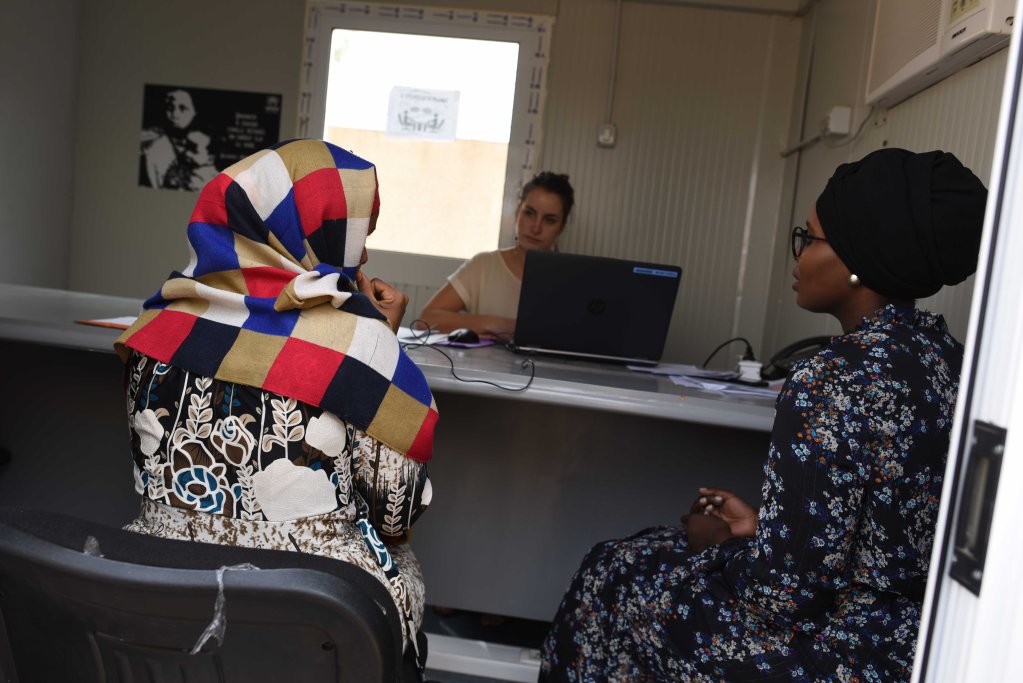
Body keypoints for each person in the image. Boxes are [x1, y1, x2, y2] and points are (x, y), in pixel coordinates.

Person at [540, 148, 988, 682]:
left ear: (858, 260)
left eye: (809, 239)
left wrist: (723, 540)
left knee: (612, 570)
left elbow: (781, 596)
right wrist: (767, 528)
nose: (797, 257)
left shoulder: (832, 377)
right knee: (648, 555)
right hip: (919, 641)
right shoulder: (953, 362)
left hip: (836, 653)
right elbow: (874, 537)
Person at [115, 139, 437, 669]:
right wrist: (378, 339)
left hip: (164, 593)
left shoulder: (154, 325)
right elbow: (395, 514)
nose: (365, 255)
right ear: (320, 234)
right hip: (312, 618)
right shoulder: (362, 344)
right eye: (360, 236)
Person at [418, 171, 575, 340]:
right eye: (529, 213)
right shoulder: (484, 265)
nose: (536, 228)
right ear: (517, 212)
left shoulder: (572, 279)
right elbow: (426, 320)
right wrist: (500, 325)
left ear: (562, 227)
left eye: (549, 220)